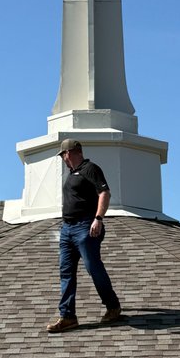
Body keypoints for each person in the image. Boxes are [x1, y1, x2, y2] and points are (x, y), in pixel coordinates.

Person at [47, 139, 122, 333]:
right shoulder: (72, 174)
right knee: (66, 272)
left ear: (71, 152)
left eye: (64, 154)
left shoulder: (90, 168)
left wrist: (98, 218)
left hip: (85, 226)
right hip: (67, 229)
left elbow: (104, 192)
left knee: (93, 268)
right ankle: (68, 317)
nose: (63, 158)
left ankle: (112, 306)